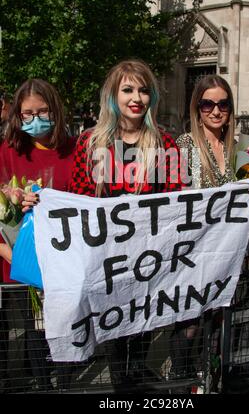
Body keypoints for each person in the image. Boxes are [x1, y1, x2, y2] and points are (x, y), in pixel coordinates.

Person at [66, 59, 182, 389]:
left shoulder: (165, 144)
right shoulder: (89, 142)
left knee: (141, 336)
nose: (136, 97)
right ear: (113, 96)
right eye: (128, 89)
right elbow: (78, 200)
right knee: (116, 343)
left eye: (144, 90)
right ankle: (122, 388)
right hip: (107, 262)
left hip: (149, 260)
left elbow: (177, 200)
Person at [170, 74, 249, 388]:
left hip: (231, 256)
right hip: (193, 256)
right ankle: (182, 384)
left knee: (220, 325)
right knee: (190, 326)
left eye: (223, 103)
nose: (216, 110)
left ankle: (210, 381)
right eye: (208, 103)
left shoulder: (241, 149)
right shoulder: (186, 146)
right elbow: (177, 199)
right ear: (197, 107)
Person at [0, 78, 77, 391]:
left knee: (63, 327)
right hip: (18, 259)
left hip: (64, 258)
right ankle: (43, 384)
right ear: (17, 115)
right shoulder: (6, 151)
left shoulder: (73, 150)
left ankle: (65, 382)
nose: (35, 120)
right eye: (27, 114)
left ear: (55, 111)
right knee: (34, 329)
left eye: (42, 112)